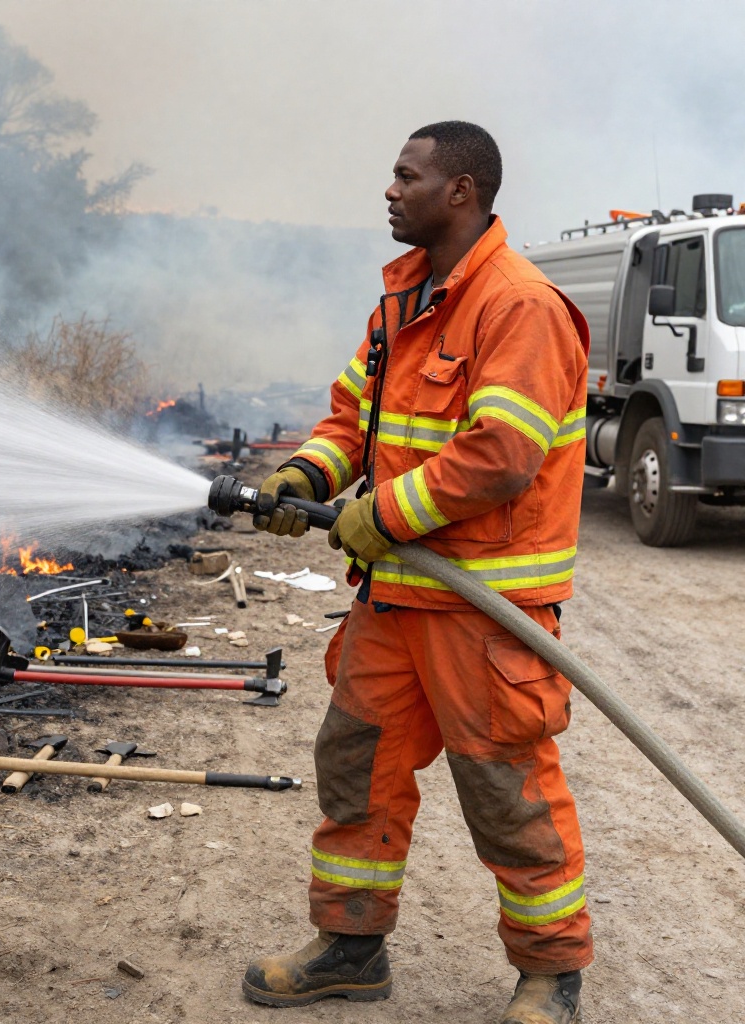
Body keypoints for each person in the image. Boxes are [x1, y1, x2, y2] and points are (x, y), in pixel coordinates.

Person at [244, 121, 592, 1024]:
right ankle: (351, 949)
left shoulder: (519, 306)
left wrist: (382, 515)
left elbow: (502, 454)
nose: (391, 190)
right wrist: (305, 477)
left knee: (507, 792)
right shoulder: (403, 301)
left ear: (461, 191)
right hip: (394, 601)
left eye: (408, 176)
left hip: (485, 612)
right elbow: (352, 420)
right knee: (357, 768)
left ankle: (552, 974)